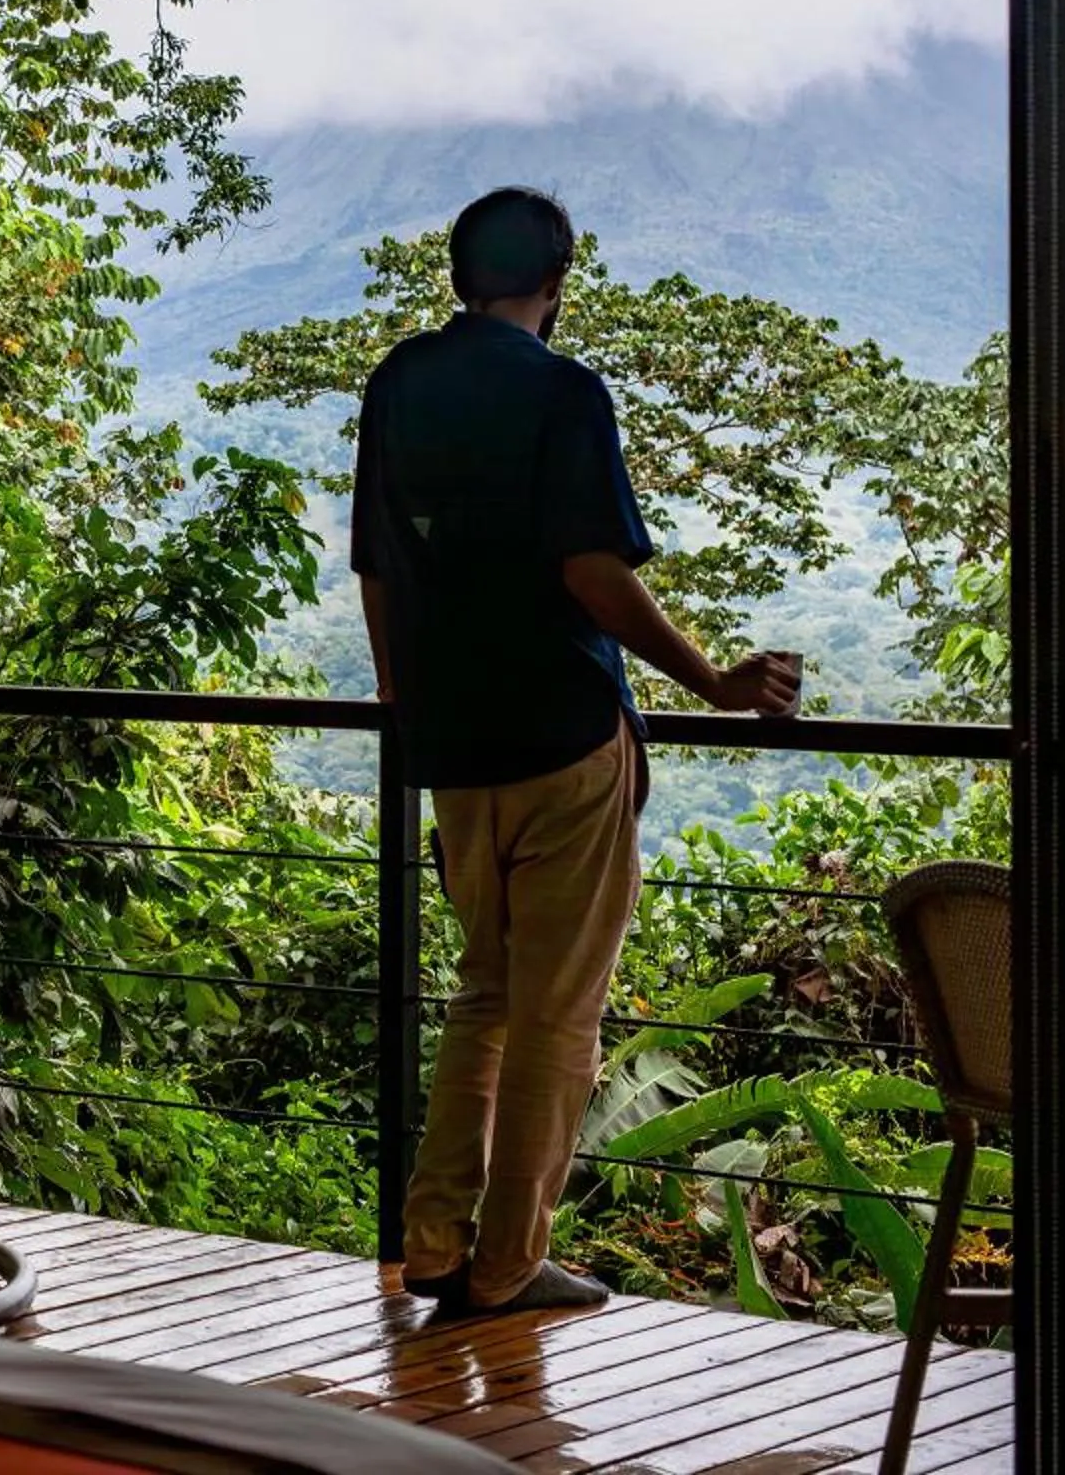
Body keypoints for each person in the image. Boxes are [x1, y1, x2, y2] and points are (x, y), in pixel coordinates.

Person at [353, 188, 801, 1316]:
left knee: (484, 994)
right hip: (561, 734)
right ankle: (505, 1265)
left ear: (461, 276)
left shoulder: (399, 380)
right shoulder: (564, 392)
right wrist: (714, 679)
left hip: (451, 746)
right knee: (557, 1015)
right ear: (558, 279)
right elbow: (591, 573)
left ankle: (433, 1240)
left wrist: (405, 693)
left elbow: (376, 566)